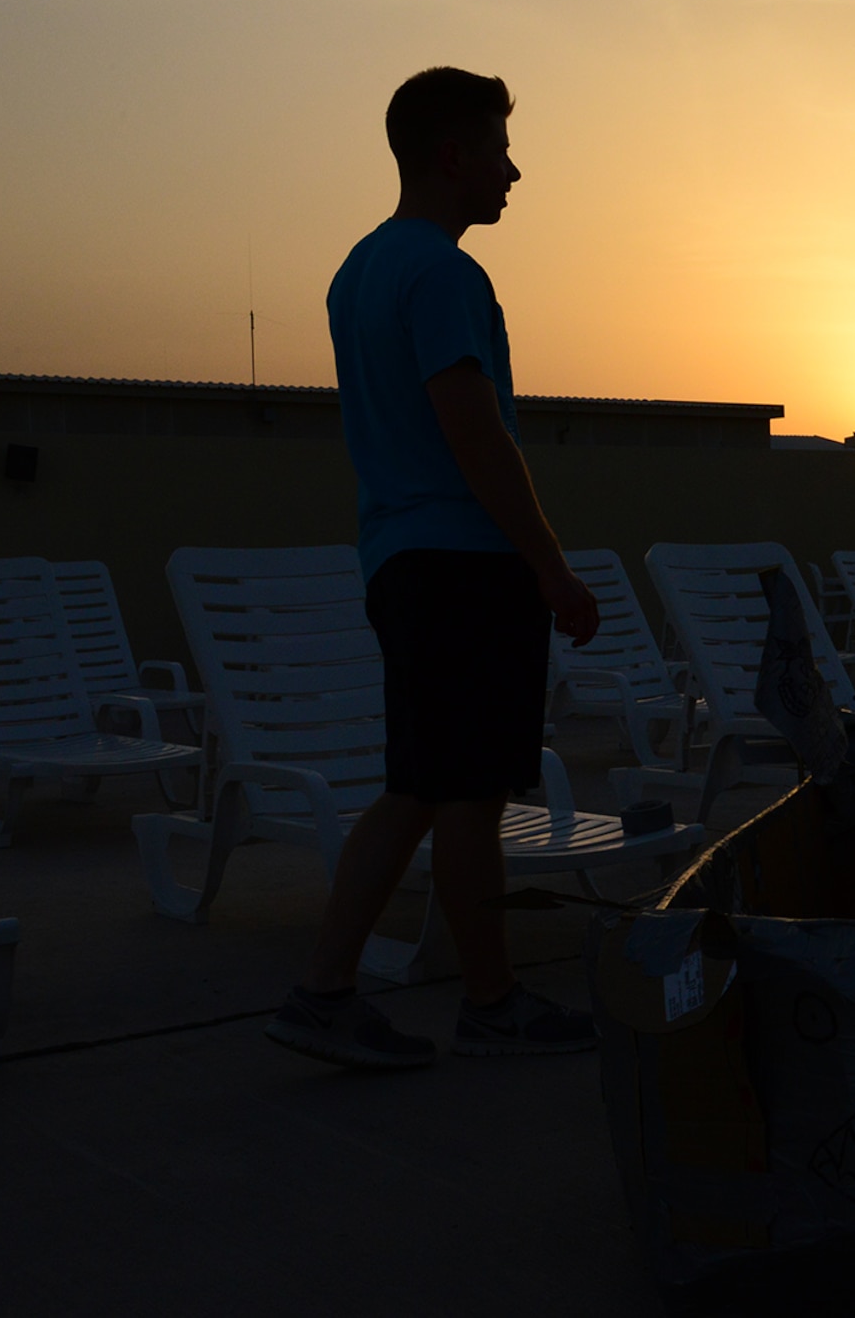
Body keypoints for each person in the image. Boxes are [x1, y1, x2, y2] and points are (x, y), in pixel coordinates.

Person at [265, 67, 603, 1068]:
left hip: (399, 560)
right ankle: (487, 1003)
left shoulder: (359, 269)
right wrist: (549, 565)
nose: (513, 171)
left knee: (420, 785)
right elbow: (476, 433)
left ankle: (329, 992)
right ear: (453, 156)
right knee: (465, 794)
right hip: (465, 563)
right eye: (500, 150)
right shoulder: (446, 276)